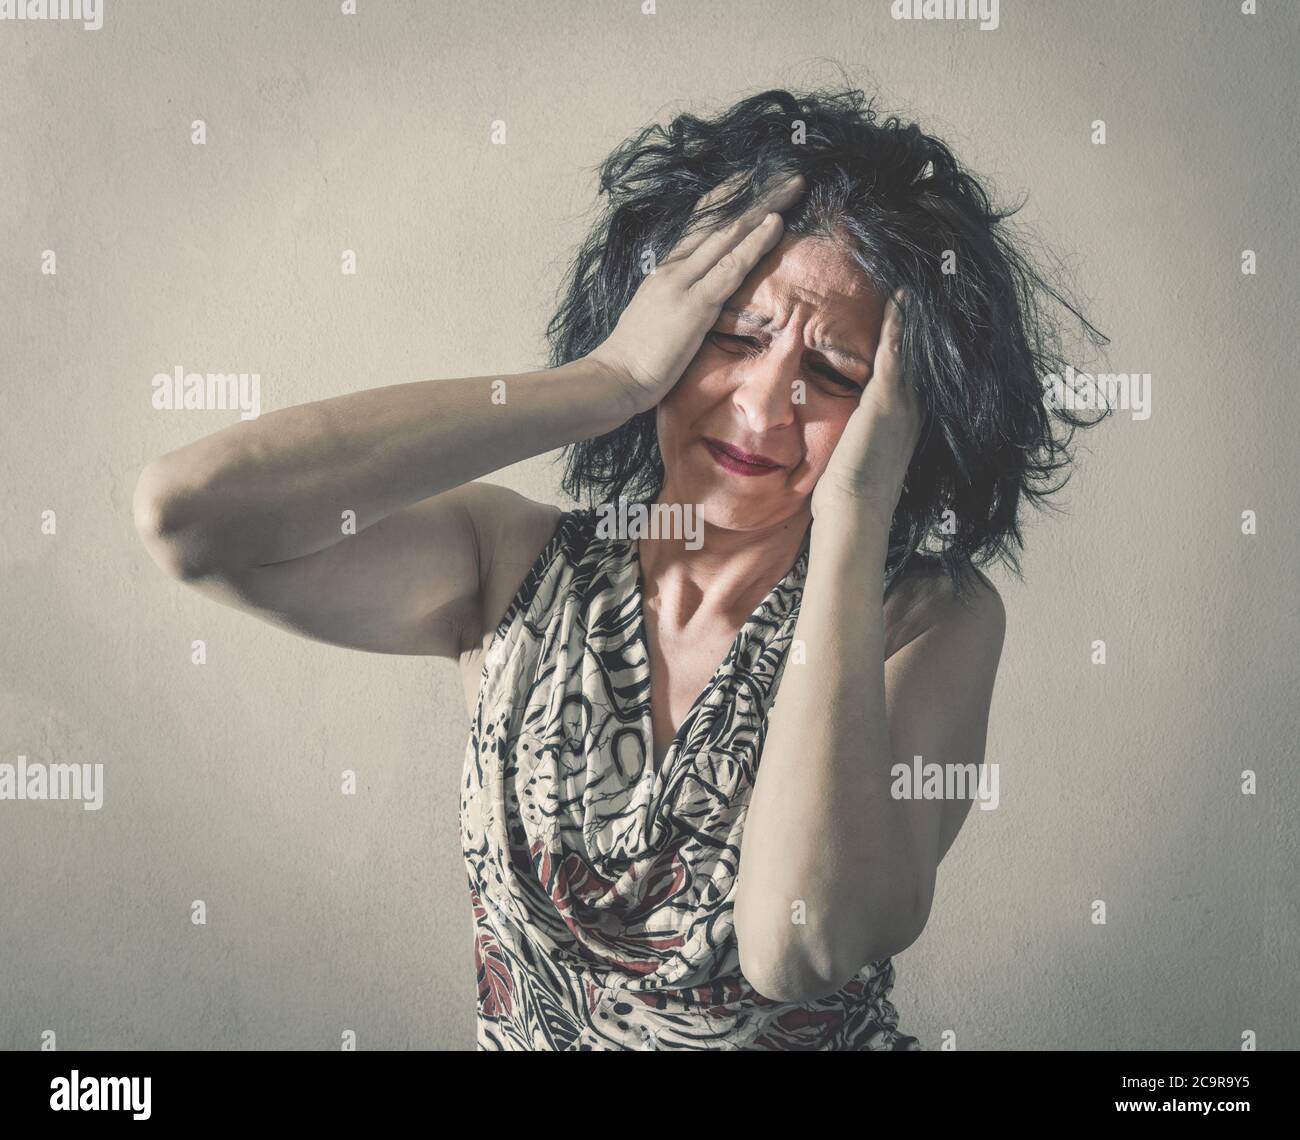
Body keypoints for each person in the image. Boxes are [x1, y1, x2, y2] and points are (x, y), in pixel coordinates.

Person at [134, 85, 1105, 1050]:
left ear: (904, 418)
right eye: (735, 336)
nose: (764, 407)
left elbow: (800, 945)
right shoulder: (508, 565)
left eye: (835, 373)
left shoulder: (929, 619)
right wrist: (605, 381)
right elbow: (191, 517)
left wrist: (855, 513)